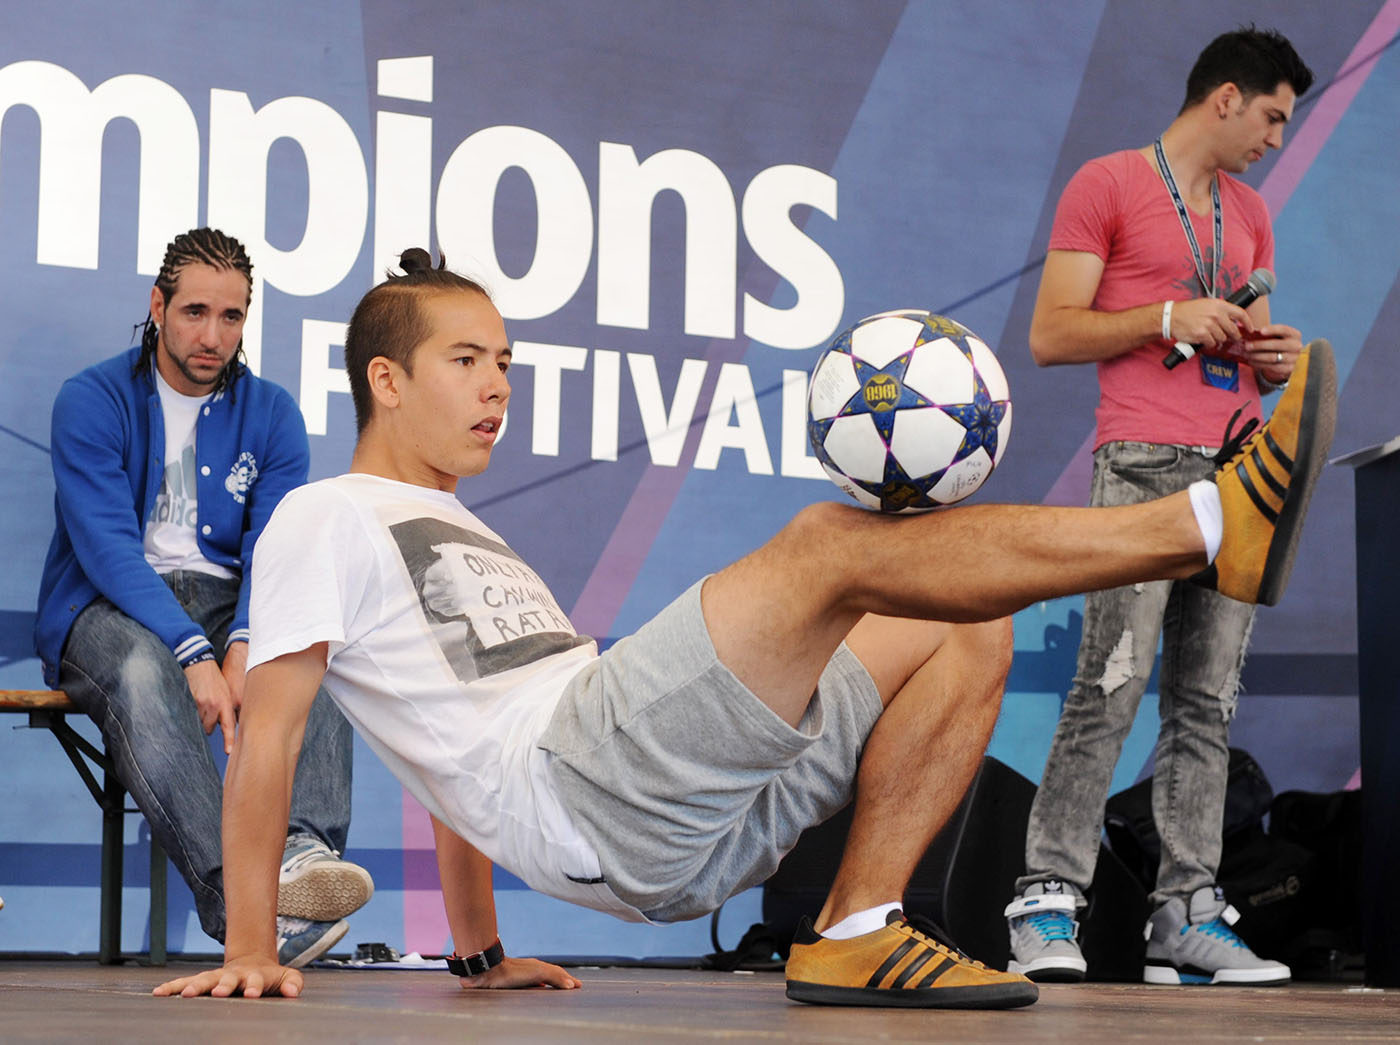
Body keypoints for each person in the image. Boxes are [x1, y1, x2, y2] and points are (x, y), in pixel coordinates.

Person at [154, 246, 1333, 1006]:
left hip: (690, 818)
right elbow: (273, 733)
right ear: (385, 382)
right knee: (829, 545)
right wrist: (246, 944)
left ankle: (854, 925)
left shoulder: (462, 529)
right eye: (464, 361)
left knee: (951, 627)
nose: (497, 386)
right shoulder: (326, 513)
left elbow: (447, 755)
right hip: (597, 777)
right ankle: (1201, 523)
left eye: (504, 361)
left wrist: (476, 947)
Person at [1003, 27, 1315, 986]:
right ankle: (1047, 903)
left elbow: (1246, 345)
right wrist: (1166, 317)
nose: (1273, 139)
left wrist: (1272, 357)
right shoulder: (1106, 183)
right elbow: (1052, 334)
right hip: (1141, 464)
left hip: (1239, 469)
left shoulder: (1252, 214)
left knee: (1207, 702)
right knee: (1110, 683)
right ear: (1225, 97)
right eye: (1270, 116)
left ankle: (1186, 913)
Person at [35, 228, 372, 966]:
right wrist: (194, 652)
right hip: (106, 604)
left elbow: (272, 553)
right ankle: (240, 905)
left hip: (228, 601)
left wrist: (250, 641)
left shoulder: (273, 412)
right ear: (157, 306)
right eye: (193, 311)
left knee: (314, 649)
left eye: (232, 316)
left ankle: (301, 862)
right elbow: (107, 550)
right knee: (142, 671)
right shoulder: (91, 399)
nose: (212, 334)